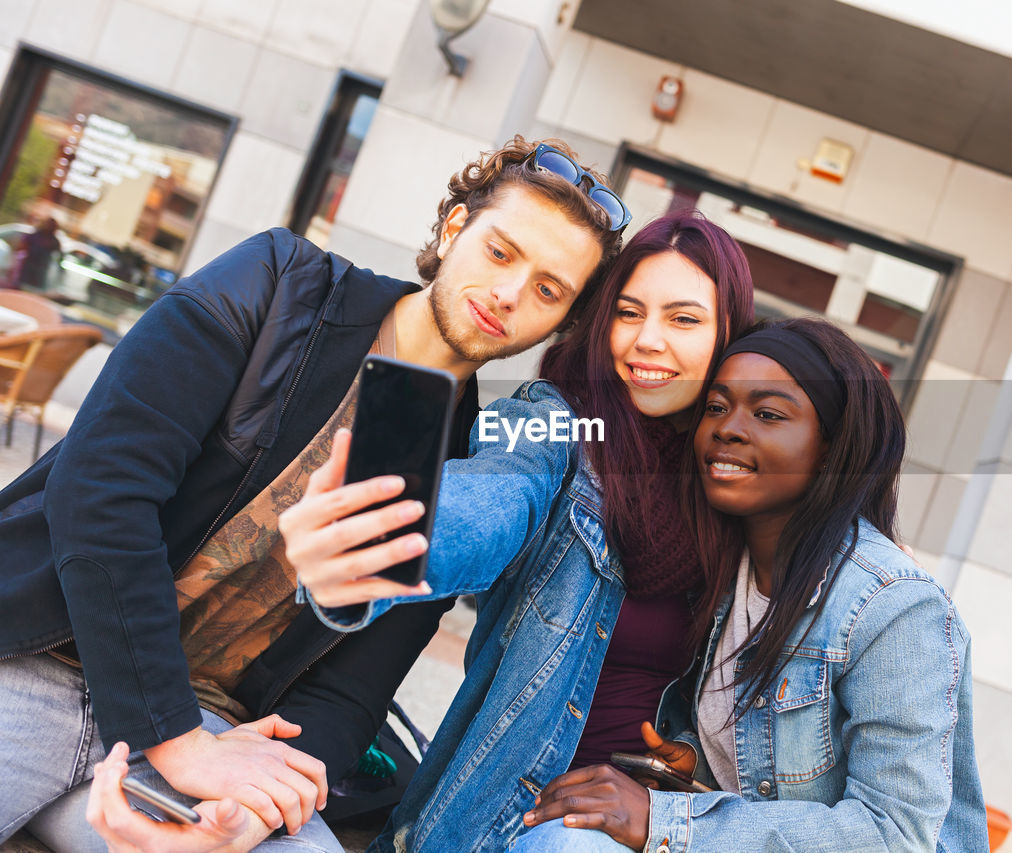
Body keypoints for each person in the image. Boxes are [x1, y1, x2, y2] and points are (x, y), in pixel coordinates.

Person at [0, 135, 626, 852]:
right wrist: (174, 739)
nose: (510, 293)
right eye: (501, 252)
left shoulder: (463, 465)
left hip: (217, 732)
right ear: (456, 228)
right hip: (48, 657)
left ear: (562, 322)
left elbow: (350, 694)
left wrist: (258, 813)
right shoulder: (276, 286)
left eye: (549, 289)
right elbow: (101, 494)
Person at [206, 211, 755, 853]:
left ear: (727, 336)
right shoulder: (555, 420)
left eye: (683, 319)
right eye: (628, 313)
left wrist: (683, 758)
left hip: (663, 826)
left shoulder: (730, 479)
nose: (647, 341)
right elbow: (497, 493)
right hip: (515, 822)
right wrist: (379, 546)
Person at [514, 318, 989, 852]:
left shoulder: (894, 607)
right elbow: (772, 765)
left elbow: (896, 834)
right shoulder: (726, 568)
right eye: (716, 407)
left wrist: (669, 822)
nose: (728, 428)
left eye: (768, 414)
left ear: (832, 448)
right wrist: (695, 759)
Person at [14, 216, 61, 289]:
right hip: (28, 271)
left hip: (39, 274)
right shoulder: (34, 236)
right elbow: (20, 248)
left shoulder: (54, 242)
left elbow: (57, 259)